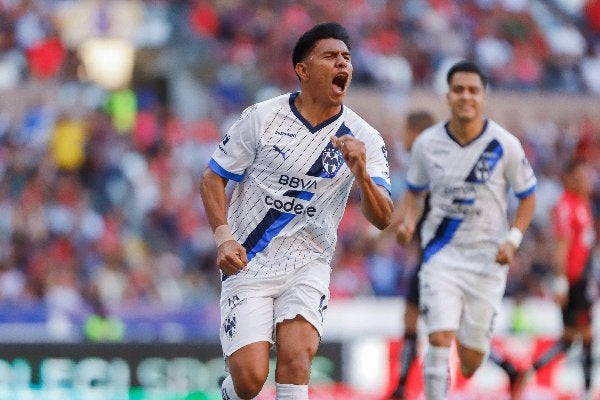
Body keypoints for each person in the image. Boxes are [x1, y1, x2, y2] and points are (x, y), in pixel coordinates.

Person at [199, 22, 393, 400]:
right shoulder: (262, 118)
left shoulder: (364, 137)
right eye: (331, 56)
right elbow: (212, 178)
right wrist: (223, 236)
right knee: (251, 379)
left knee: (297, 357)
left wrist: (361, 174)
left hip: (308, 262)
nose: (343, 64)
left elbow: (383, 217)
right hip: (249, 260)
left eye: (347, 58)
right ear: (302, 70)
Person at [395, 60, 537, 400]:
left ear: (484, 96)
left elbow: (527, 197)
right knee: (439, 338)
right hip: (440, 256)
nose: (466, 96)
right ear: (448, 95)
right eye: (459, 89)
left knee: (472, 359)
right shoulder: (428, 144)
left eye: (473, 90)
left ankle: (482, 354)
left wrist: (513, 240)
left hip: (488, 262)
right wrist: (410, 221)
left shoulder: (504, 144)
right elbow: (414, 193)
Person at [512, 158, 596, 399]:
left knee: (570, 339)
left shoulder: (582, 203)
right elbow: (561, 246)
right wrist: (561, 282)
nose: (585, 181)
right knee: (586, 335)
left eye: (587, 177)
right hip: (574, 281)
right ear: (568, 179)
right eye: (580, 177)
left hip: (583, 278)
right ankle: (588, 391)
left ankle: (529, 372)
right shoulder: (566, 206)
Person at [386, 110, 435, 400]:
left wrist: (378, 228)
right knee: (413, 318)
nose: (402, 137)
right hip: (431, 257)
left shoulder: (424, 165)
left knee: (440, 326)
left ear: (415, 133)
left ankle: (403, 386)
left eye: (404, 131)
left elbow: (405, 214)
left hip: (436, 259)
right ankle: (402, 386)